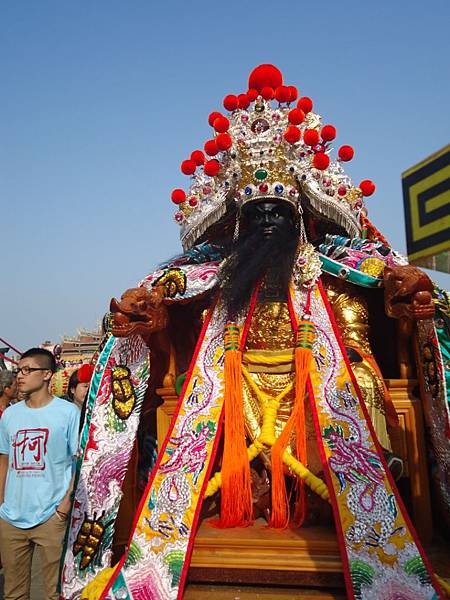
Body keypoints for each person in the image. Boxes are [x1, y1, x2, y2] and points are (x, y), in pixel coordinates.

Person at [60, 65, 447, 600]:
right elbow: (165, 300)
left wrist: (406, 303)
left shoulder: (331, 270)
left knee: (355, 376)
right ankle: (203, 499)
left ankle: (378, 471)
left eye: (277, 211)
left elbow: (360, 327)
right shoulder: (212, 277)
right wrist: (148, 319)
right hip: (234, 382)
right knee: (202, 388)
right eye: (256, 211)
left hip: (315, 383)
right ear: (238, 222)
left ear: (301, 218)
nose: (267, 220)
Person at [0, 347, 80, 600]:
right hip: (11, 516)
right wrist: (1, 503)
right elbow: (4, 459)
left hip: (51, 516)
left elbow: (78, 461)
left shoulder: (68, 413)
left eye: (27, 370)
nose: (20, 376)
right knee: (13, 593)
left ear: (46, 374)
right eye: (18, 370)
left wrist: (64, 506)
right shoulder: (10, 415)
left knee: (53, 592)